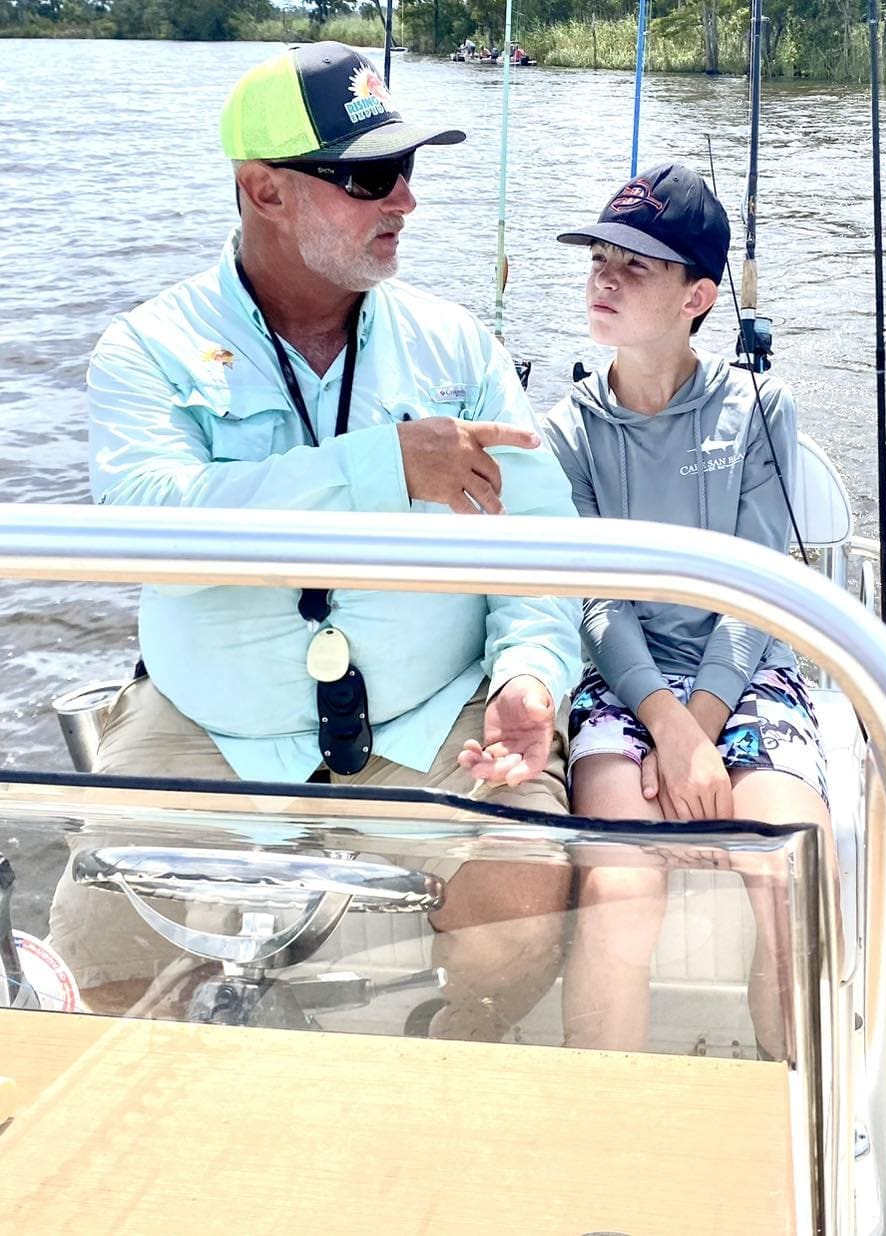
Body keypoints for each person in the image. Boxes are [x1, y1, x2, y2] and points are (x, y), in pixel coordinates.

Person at [49, 42, 582, 1041]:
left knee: (525, 907)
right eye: (369, 176)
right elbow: (155, 527)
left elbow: (541, 545)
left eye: (410, 171)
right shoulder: (145, 349)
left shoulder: (458, 347)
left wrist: (528, 674)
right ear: (265, 192)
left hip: (429, 721)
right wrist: (383, 469)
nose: (405, 203)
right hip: (214, 722)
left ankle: (439, 1059)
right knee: (96, 942)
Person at [542, 162, 833, 1059]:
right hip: (623, 683)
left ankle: (796, 1131)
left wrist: (702, 724)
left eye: (636, 265)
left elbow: (754, 586)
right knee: (622, 888)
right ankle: (603, 1135)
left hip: (745, 672)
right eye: (600, 256)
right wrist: (668, 725)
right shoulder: (565, 429)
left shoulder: (759, 407)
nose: (604, 276)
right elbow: (593, 599)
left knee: (792, 877)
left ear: (698, 296)